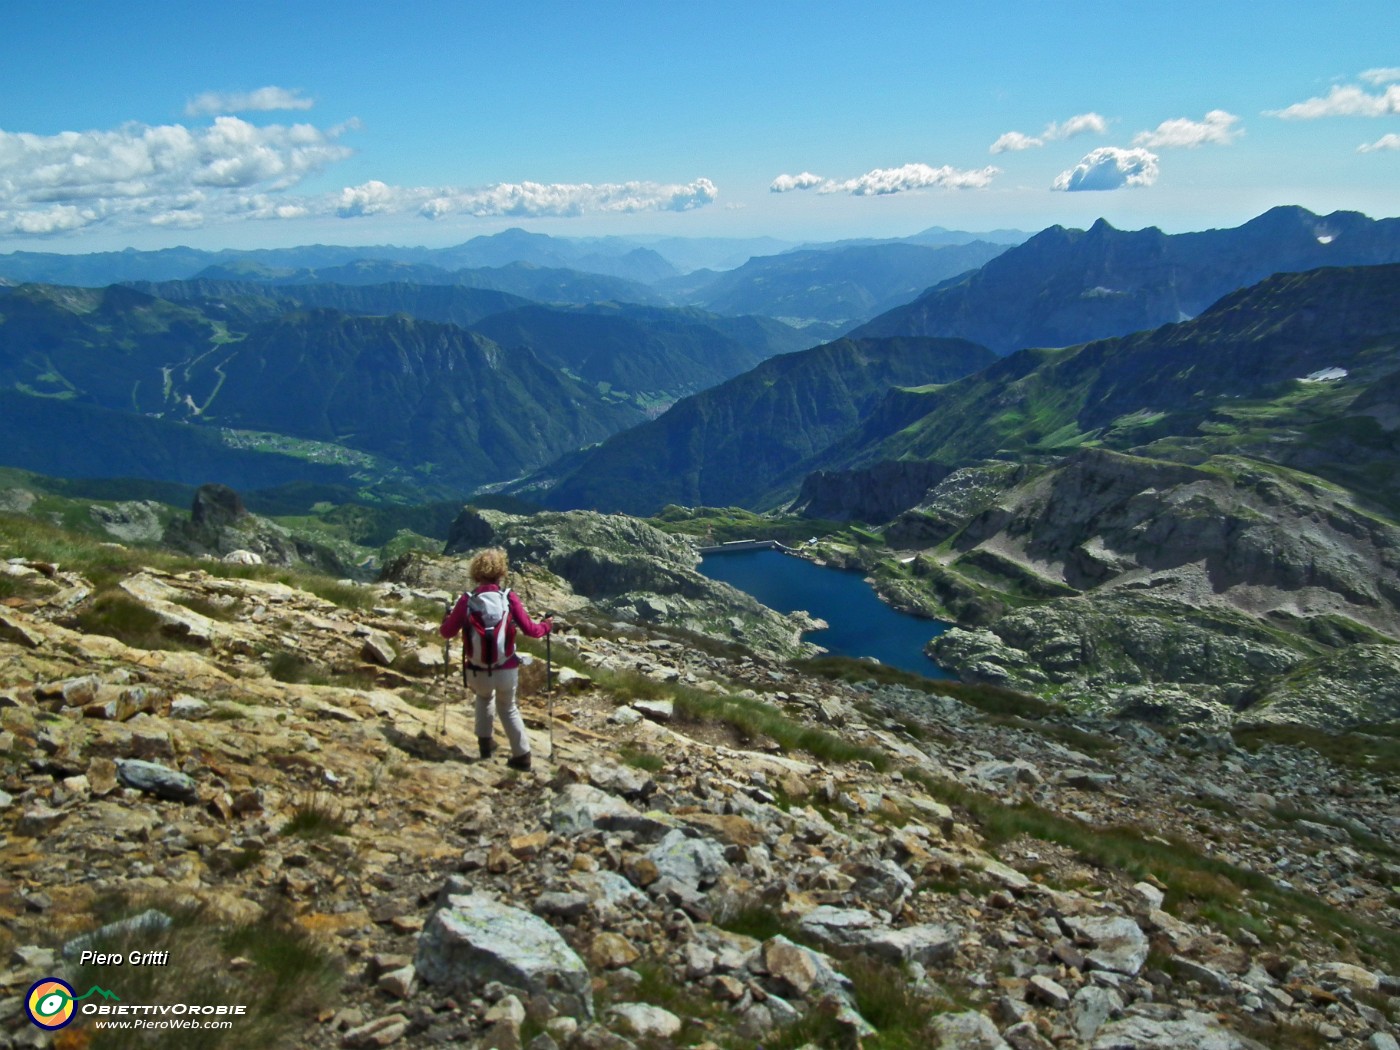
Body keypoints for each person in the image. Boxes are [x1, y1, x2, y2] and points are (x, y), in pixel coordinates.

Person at [439, 547, 552, 771]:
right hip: (506, 668)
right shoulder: (508, 597)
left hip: (476, 669)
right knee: (508, 708)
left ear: (475, 572)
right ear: (501, 572)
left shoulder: (467, 600)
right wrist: (548, 625)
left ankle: (485, 743)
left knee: (483, 699)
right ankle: (522, 755)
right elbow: (532, 630)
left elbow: (446, 633)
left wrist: (446, 619)